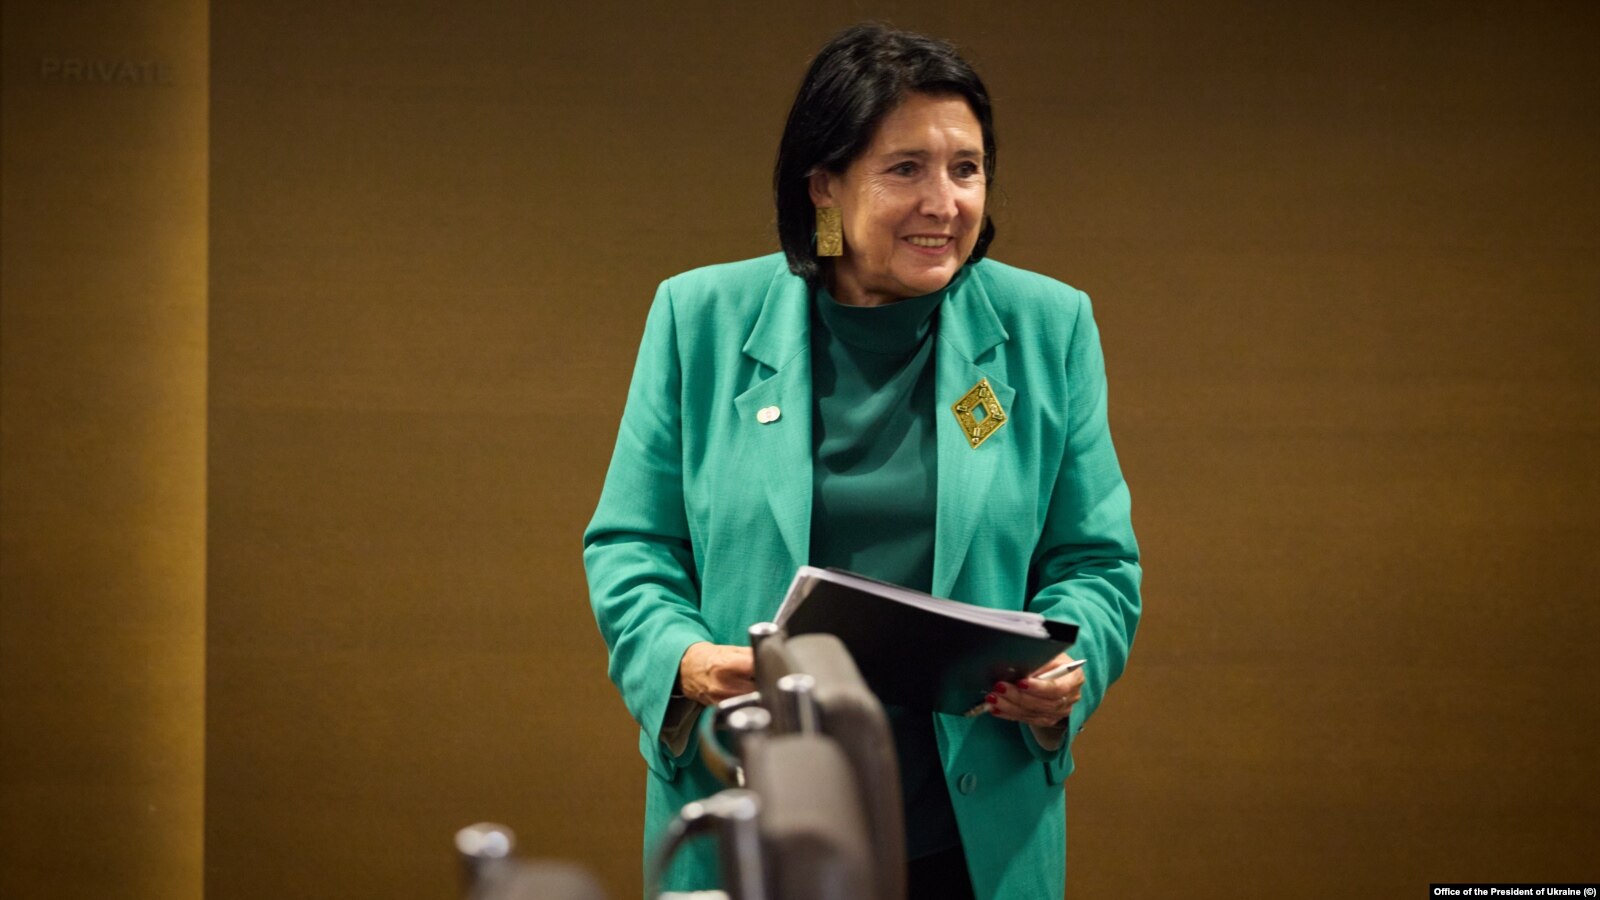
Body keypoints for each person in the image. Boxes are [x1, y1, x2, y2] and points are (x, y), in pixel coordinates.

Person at [584, 23, 1141, 900]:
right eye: (906, 168)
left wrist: (1069, 668)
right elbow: (633, 546)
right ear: (825, 187)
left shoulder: (1047, 325)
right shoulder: (700, 318)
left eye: (966, 168)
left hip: (973, 836)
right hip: (753, 809)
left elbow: (1095, 563)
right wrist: (687, 661)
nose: (944, 202)